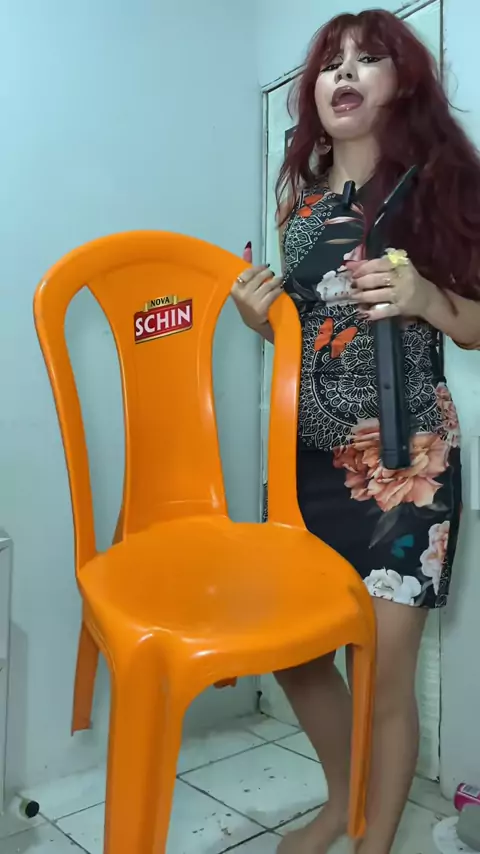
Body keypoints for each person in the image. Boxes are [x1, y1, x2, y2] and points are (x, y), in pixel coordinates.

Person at [231, 10, 480, 854]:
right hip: (307, 462)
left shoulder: (437, 187)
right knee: (295, 653)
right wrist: (262, 320)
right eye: (332, 63)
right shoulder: (300, 204)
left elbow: (477, 324)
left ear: (401, 84)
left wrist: (426, 299)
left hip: (408, 464)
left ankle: (372, 844)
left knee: (382, 675)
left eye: (368, 59)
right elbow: (310, 332)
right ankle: (344, 804)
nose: (345, 74)